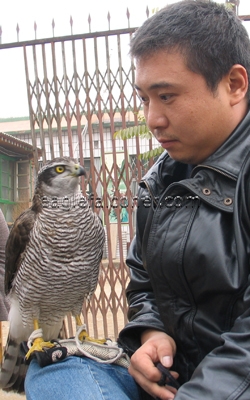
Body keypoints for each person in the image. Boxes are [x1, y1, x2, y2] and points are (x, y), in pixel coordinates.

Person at [25, 1, 250, 399]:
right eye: (145, 98)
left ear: (234, 84)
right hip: (171, 380)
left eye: (167, 96)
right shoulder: (160, 180)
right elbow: (144, 280)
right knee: (51, 369)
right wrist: (153, 333)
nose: (152, 119)